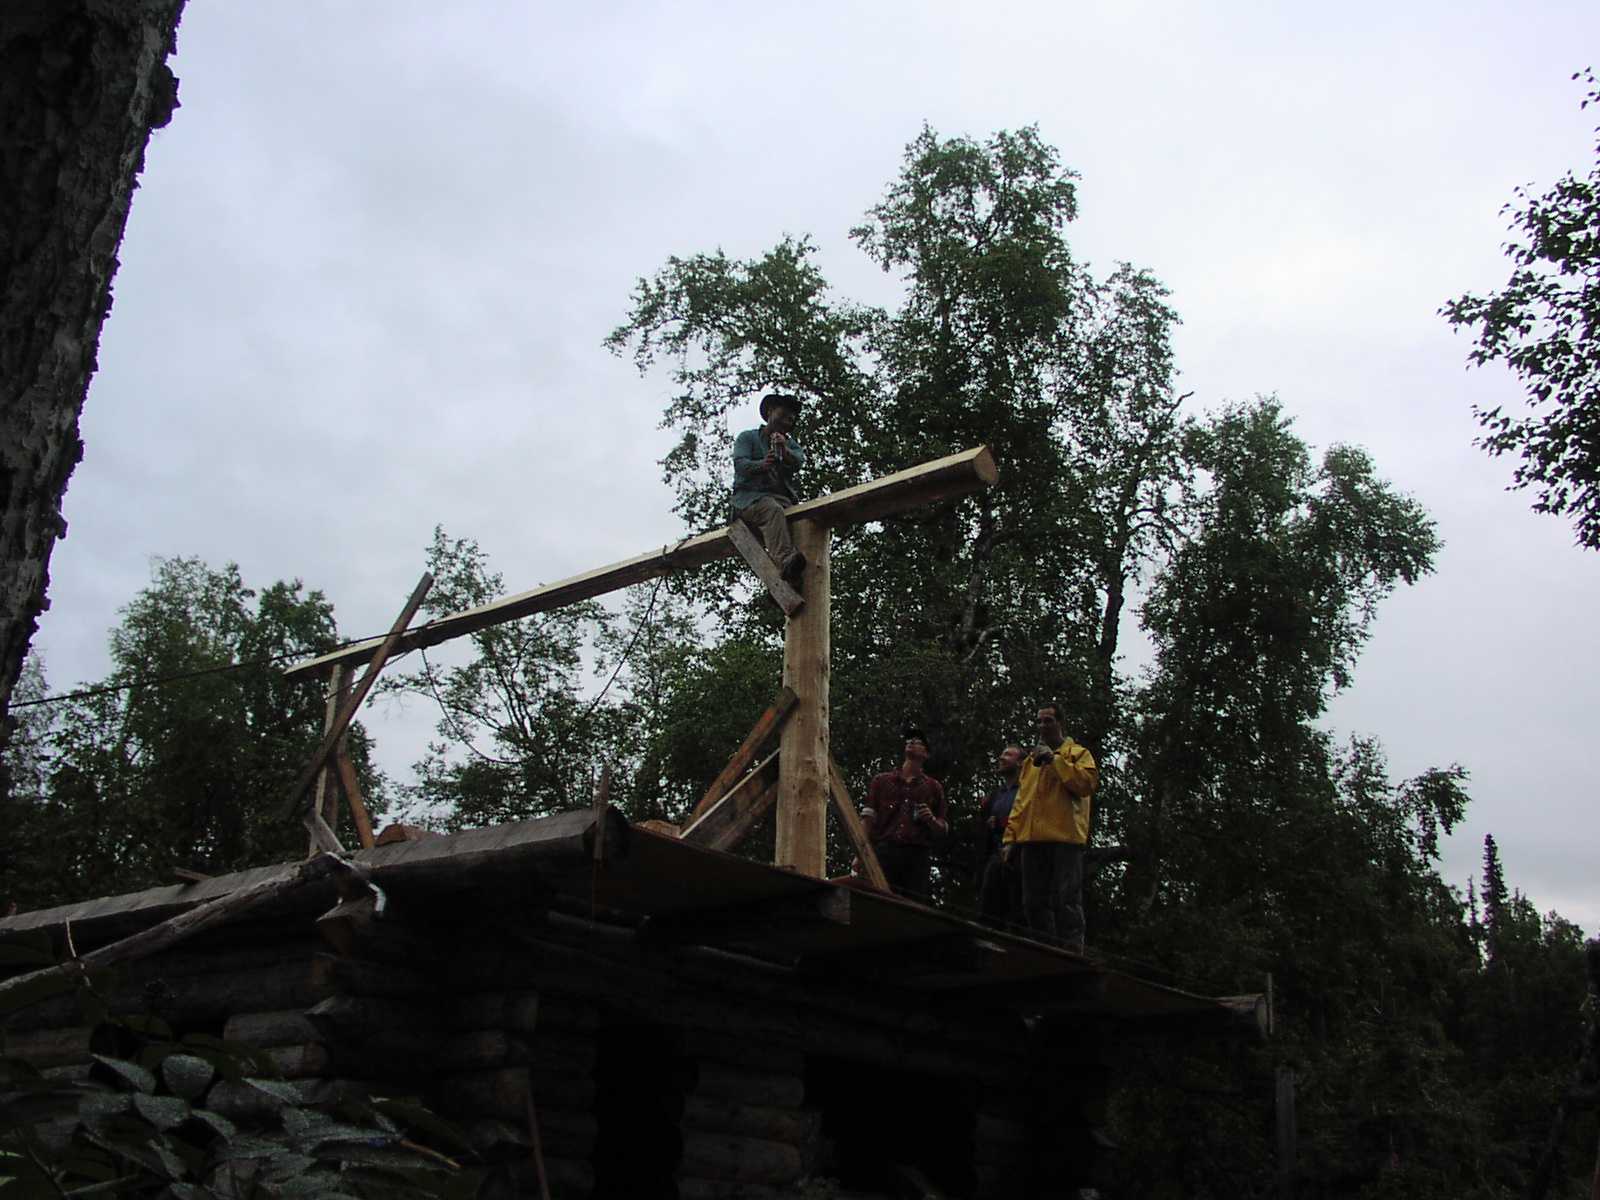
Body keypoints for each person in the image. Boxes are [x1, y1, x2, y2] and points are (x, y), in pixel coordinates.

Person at [1000, 703, 1098, 951]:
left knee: (1067, 899)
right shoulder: (1030, 763)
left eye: (1048, 721)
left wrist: (1055, 761)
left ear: (1060, 723)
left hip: (1065, 838)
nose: (1042, 726)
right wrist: (1010, 838)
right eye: (1039, 721)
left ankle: (1072, 951)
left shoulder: (1078, 754)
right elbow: (1021, 802)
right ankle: (1044, 948)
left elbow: (1086, 785)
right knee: (1032, 901)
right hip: (1032, 839)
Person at [860, 726, 948, 899]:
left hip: (917, 857)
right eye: (909, 740)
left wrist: (930, 820)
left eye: (918, 742)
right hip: (885, 852)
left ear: (926, 754)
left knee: (912, 906)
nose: (912, 742)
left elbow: (943, 827)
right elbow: (867, 820)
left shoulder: (933, 787)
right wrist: (860, 854)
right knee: (879, 901)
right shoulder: (881, 781)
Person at [731, 393, 807, 587]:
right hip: (750, 501)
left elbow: (799, 461)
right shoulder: (748, 438)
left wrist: (785, 451)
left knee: (804, 521)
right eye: (783, 415)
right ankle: (786, 561)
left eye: (791, 419)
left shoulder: (790, 444)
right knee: (771, 510)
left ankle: (789, 581)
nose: (786, 421)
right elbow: (740, 464)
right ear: (770, 411)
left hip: (782, 501)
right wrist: (762, 465)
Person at [976, 744, 1024, 927]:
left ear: (1020, 763)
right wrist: (990, 824)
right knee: (989, 906)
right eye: (1002, 754)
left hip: (1021, 855)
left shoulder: (1027, 791)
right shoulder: (996, 794)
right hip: (997, 853)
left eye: (1008, 755)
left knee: (1019, 910)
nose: (1002, 758)